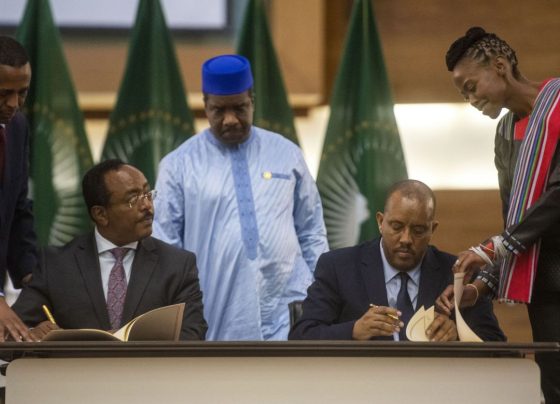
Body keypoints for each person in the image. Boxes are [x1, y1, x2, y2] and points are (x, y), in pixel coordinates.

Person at [153, 54, 328, 341]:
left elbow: (311, 230)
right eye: (219, 110)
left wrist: (322, 293)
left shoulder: (287, 154)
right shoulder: (178, 165)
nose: (231, 119)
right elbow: (165, 245)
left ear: (252, 101)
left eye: (239, 108)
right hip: (215, 309)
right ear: (205, 106)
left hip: (289, 305)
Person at [439, 26, 560, 401]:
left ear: (500, 65)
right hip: (547, 290)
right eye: (464, 94)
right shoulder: (505, 134)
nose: (470, 99)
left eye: (471, 86)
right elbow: (516, 226)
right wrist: (480, 286)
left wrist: (490, 249)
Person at [12, 159, 207, 340]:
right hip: (76, 367)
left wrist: (127, 341)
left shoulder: (178, 265)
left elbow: (192, 333)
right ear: (101, 214)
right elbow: (14, 332)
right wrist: (34, 333)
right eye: (134, 199)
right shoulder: (56, 264)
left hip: (148, 367)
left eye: (148, 194)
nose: (147, 206)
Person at [289, 180, 505, 342]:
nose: (406, 239)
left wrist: (457, 335)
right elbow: (301, 335)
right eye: (397, 227)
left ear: (432, 229)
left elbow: (496, 343)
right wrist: (354, 330)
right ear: (381, 222)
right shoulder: (338, 267)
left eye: (418, 230)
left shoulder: (458, 274)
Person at [0, 36, 38, 342]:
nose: (14, 104)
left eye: (22, 93)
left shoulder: (17, 127)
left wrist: (34, 279)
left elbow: (17, 209)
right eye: (4, 94)